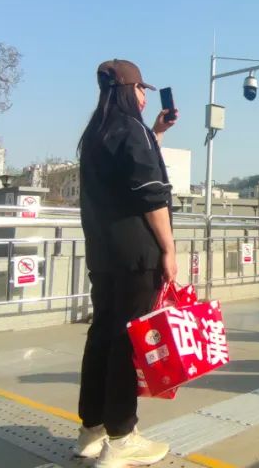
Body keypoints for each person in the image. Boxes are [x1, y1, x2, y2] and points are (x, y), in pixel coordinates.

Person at [75, 59, 178, 466]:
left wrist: (156, 133)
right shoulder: (131, 130)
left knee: (102, 333)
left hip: (104, 253)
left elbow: (124, 174)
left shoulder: (96, 132)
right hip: (137, 254)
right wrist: (168, 249)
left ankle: (92, 428)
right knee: (127, 341)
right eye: (140, 89)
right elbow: (150, 194)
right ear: (127, 90)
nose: (143, 96)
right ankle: (122, 437)